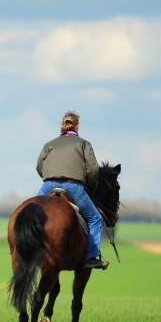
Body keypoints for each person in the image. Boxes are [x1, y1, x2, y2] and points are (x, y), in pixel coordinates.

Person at [36, 110, 107, 270]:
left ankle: (21, 245)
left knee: (29, 213)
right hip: (73, 186)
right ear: (77, 126)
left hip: (48, 185)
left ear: (62, 126)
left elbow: (39, 167)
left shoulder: (49, 144)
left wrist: (49, 178)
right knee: (95, 219)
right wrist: (92, 187)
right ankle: (90, 257)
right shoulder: (84, 144)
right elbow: (93, 171)